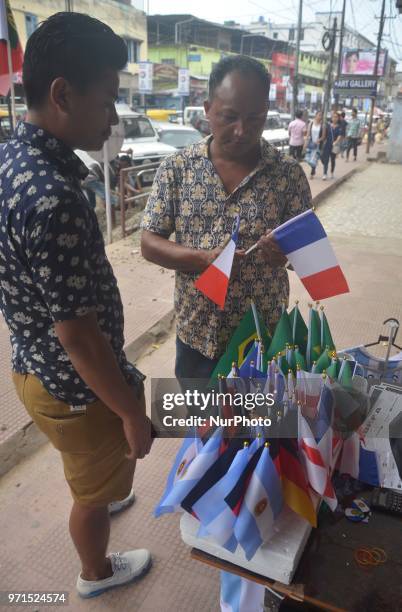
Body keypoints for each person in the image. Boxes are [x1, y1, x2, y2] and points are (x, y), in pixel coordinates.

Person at [141, 53, 312, 612]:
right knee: (207, 444)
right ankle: (211, 534)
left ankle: (255, 562)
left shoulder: (287, 173)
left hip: (263, 348)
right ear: (208, 109)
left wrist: (284, 248)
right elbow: (148, 241)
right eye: (230, 116)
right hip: (198, 340)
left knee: (262, 449)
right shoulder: (179, 168)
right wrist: (200, 257)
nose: (243, 131)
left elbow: (307, 244)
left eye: (257, 118)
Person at [0, 13, 153, 598]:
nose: (114, 117)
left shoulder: (14, 161)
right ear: (63, 94)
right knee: (91, 493)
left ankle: (103, 482)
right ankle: (95, 572)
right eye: (109, 99)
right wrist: (132, 416)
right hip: (74, 383)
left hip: (32, 365)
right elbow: (80, 338)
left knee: (96, 467)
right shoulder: (53, 197)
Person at [320, 111, 343, 180]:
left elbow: (340, 135)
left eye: (336, 117)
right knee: (324, 159)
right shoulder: (328, 126)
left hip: (334, 145)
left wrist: (336, 141)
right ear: (331, 118)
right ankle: (325, 173)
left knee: (333, 159)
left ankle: (331, 172)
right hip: (327, 144)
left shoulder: (339, 127)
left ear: (338, 118)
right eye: (333, 117)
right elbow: (324, 134)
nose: (334, 118)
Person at [304, 110, 326, 179]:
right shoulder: (311, 123)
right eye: (319, 115)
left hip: (318, 145)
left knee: (313, 159)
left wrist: (318, 140)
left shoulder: (323, 125)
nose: (320, 116)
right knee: (307, 159)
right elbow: (307, 135)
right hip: (310, 144)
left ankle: (312, 173)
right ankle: (315, 166)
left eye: (321, 115)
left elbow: (323, 136)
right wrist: (305, 143)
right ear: (316, 115)